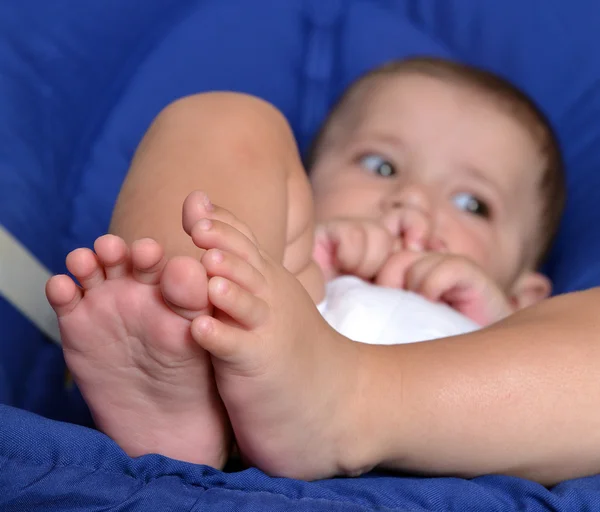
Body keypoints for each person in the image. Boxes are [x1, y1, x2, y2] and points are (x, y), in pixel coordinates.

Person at [46, 56, 595, 486]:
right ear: (302, 190)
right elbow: (268, 247)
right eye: (381, 166)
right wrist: (297, 262)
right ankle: (178, 355)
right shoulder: (298, 263)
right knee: (225, 117)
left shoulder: (507, 323)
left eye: (473, 204)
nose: (412, 201)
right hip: (253, 349)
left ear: (529, 292)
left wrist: (501, 322)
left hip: (459, 407)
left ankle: (347, 398)